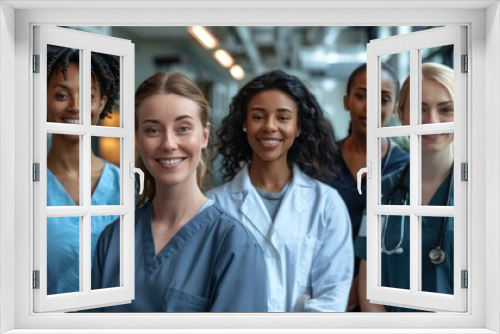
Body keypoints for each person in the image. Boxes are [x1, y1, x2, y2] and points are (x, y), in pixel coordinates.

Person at [91, 72, 268, 312]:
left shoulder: (233, 245)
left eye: (183, 128)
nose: (169, 143)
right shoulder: (113, 240)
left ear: (204, 136)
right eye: (153, 130)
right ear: (138, 138)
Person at [207, 69, 353, 312]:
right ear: (244, 124)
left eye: (283, 117)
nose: (270, 127)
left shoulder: (327, 203)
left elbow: (333, 295)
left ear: (299, 128)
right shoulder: (215, 205)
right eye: (258, 116)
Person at [356, 63, 455, 312]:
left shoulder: (484, 192)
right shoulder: (381, 190)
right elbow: (369, 289)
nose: (431, 121)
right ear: (402, 114)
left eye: (445, 110)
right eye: (420, 109)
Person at [330, 63, 409, 311]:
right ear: (346, 101)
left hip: (386, 290)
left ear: (395, 108)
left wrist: (364, 284)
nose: (370, 107)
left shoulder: (406, 167)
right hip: (325, 286)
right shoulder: (319, 161)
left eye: (383, 99)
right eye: (361, 95)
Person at [46, 46, 121, 295]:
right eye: (61, 96)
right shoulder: (22, 186)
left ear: (101, 103)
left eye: (88, 96)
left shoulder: (127, 187)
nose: (76, 107)